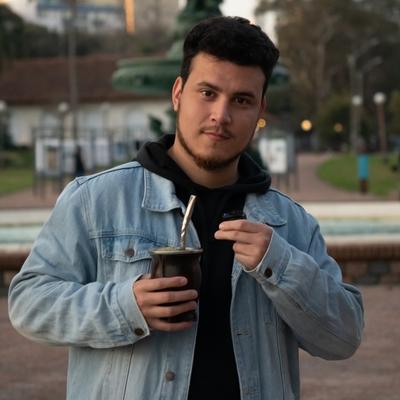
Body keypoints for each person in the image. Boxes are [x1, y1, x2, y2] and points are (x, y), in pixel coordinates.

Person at [8, 16, 364, 400]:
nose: (221, 115)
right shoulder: (95, 199)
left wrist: (281, 264)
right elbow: (29, 303)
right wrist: (126, 306)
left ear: (260, 108)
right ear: (178, 93)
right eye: (207, 93)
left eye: (241, 100)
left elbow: (342, 338)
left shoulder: (291, 223)